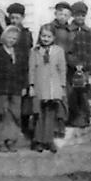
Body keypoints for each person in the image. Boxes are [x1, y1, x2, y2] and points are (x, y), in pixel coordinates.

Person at [0, 25, 28, 152]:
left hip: (15, 88)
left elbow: (23, 71)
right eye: (9, 37)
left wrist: (24, 86)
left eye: (14, 38)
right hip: (1, 88)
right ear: (4, 37)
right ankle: (1, 141)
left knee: (14, 115)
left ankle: (11, 140)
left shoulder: (19, 54)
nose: (11, 40)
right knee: (1, 115)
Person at [29, 23, 66, 153]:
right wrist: (31, 85)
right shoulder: (35, 51)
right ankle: (38, 140)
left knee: (50, 114)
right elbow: (32, 69)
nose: (45, 39)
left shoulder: (58, 51)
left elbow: (62, 69)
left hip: (53, 88)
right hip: (40, 87)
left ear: (54, 37)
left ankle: (48, 140)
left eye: (48, 36)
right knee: (39, 114)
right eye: (43, 36)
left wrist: (62, 86)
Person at [6, 3, 34, 139]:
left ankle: (24, 126)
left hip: (24, 68)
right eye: (12, 18)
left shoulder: (26, 34)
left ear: (22, 18)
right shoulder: (7, 33)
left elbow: (29, 52)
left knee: (25, 100)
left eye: (17, 18)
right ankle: (12, 128)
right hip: (11, 70)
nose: (14, 21)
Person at [68, 1, 91, 129]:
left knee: (84, 94)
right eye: (77, 15)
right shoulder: (69, 31)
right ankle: (73, 118)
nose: (80, 18)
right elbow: (67, 50)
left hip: (84, 70)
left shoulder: (89, 32)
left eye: (82, 15)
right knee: (72, 94)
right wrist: (75, 64)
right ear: (73, 16)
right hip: (71, 69)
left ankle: (85, 118)